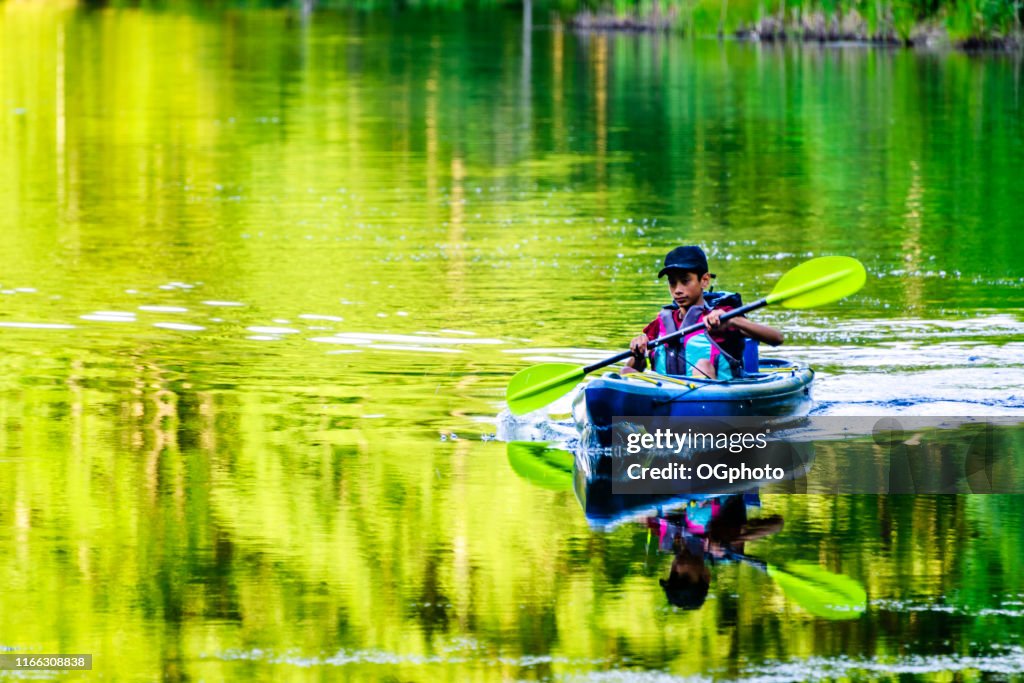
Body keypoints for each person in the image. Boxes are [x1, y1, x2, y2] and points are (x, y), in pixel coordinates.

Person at [624, 246, 783, 379]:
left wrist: (734, 320)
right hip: (667, 398)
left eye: (685, 281)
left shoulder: (724, 315)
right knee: (626, 372)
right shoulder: (662, 322)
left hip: (715, 401)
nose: (678, 290)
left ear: (704, 280)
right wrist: (637, 353)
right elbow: (637, 368)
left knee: (702, 366)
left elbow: (777, 338)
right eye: (672, 283)